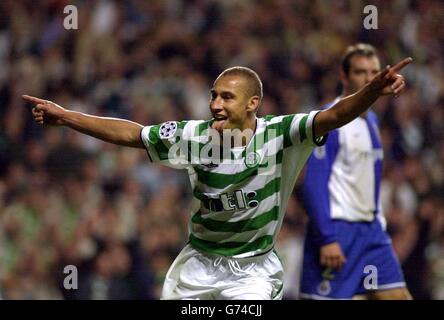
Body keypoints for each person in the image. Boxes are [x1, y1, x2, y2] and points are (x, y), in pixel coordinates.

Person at [23, 59, 411, 300]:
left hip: (252, 271)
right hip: (197, 267)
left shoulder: (282, 134)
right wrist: (66, 115)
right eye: (213, 96)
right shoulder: (193, 136)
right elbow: (132, 134)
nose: (215, 104)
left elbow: (334, 115)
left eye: (226, 97)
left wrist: (370, 93)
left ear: (252, 103)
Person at [300, 44, 413, 300]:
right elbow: (314, 183)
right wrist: (327, 237)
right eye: (361, 72)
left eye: (374, 71)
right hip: (339, 232)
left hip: (372, 233)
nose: (369, 78)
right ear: (344, 76)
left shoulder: (372, 122)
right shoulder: (330, 121)